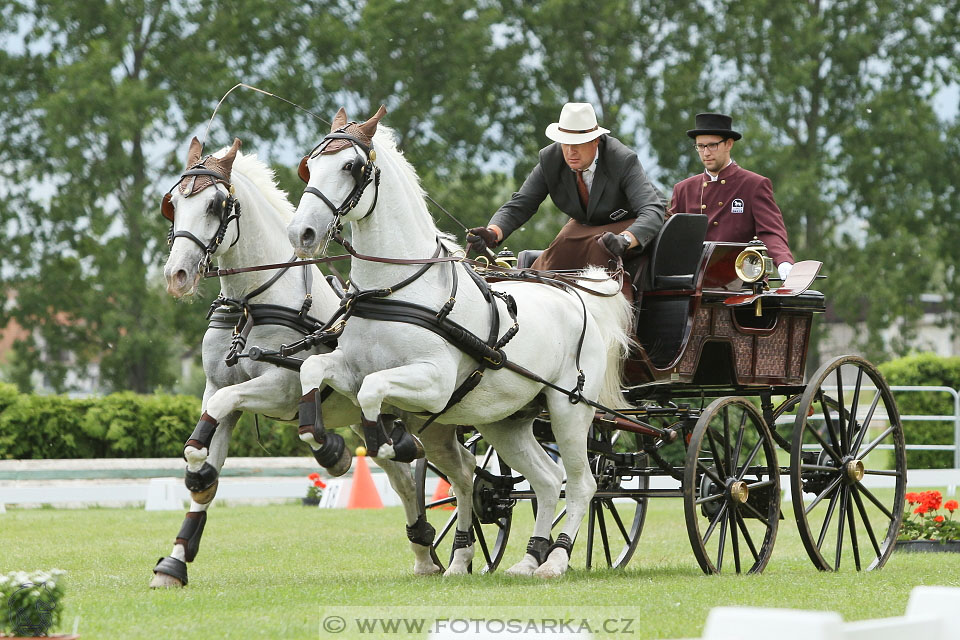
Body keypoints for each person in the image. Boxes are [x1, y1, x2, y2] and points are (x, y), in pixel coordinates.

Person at [466, 102, 665, 299]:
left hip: (635, 220)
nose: (570, 151)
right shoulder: (550, 159)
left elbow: (652, 211)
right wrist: (493, 232)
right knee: (559, 247)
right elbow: (521, 204)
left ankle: (617, 323)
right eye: (565, 142)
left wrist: (625, 239)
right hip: (590, 224)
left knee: (600, 247)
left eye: (578, 143)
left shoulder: (622, 159)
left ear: (596, 140)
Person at [668, 112, 794, 279]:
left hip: (741, 281)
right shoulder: (683, 189)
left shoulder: (754, 185)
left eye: (712, 145)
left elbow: (770, 232)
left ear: (729, 144)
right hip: (694, 281)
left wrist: (784, 262)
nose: (706, 153)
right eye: (700, 146)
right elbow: (672, 237)